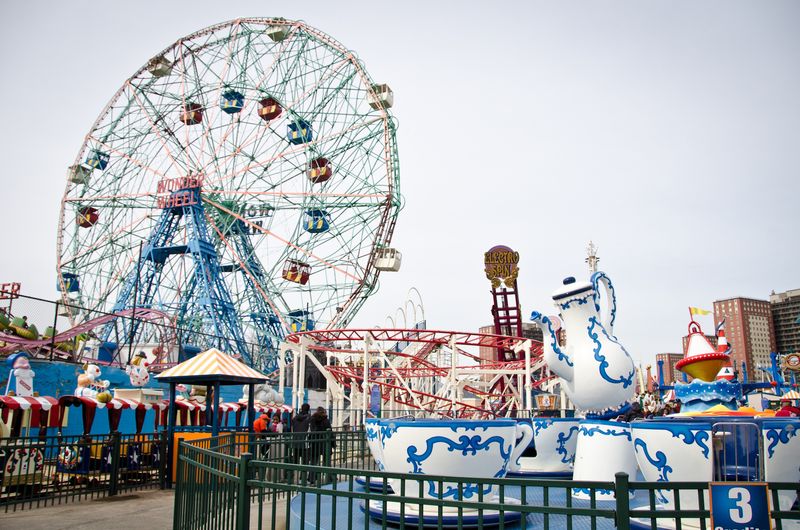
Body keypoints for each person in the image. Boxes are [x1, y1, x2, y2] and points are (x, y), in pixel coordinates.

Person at [307, 407, 333, 484]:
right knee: (327, 461)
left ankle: (312, 478)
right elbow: (330, 431)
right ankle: (329, 478)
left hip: (315, 442)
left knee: (314, 462)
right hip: (325, 442)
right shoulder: (326, 420)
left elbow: (311, 430)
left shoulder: (312, 419)